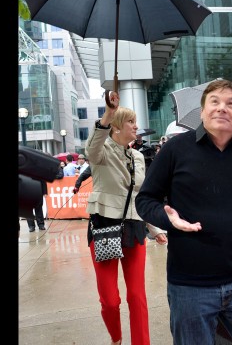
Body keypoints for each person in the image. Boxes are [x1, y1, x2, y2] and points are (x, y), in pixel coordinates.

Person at [135, 79, 232, 345]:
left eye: (231, 104)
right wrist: (168, 218)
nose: (222, 108)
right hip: (189, 286)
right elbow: (146, 200)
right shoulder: (175, 149)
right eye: (214, 102)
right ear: (202, 111)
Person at [85, 90, 168, 345]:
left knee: (137, 296)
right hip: (104, 227)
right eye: (131, 122)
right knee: (110, 300)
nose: (136, 126)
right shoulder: (101, 152)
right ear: (117, 127)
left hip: (133, 227)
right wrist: (108, 113)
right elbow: (92, 146)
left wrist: (154, 229)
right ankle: (117, 337)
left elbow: (139, 197)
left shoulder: (138, 156)